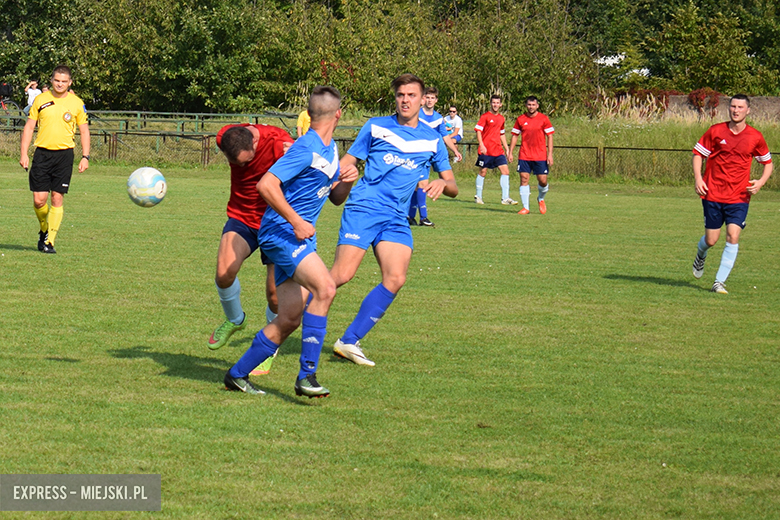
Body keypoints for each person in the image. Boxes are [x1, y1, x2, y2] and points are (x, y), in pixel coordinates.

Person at [224, 86, 357, 397]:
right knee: (325, 288)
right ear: (339, 114)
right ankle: (306, 377)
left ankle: (236, 374)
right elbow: (266, 184)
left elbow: (334, 199)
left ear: (310, 113)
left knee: (289, 318)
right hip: (281, 233)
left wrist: (346, 182)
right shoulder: (306, 147)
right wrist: (296, 221)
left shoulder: (330, 149)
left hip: (294, 237)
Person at [329, 74, 459, 367]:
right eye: (400, 94)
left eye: (411, 95)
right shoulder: (375, 126)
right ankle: (282, 324)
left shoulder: (432, 138)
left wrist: (441, 184)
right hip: (364, 206)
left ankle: (349, 341)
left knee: (396, 278)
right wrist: (331, 175)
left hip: (397, 217)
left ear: (423, 98)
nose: (405, 100)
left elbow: (452, 185)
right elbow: (348, 161)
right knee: (341, 275)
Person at [208, 122, 294, 379]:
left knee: (275, 296)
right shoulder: (225, 136)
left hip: (277, 221)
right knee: (224, 273)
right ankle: (235, 319)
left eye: (247, 162)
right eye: (238, 164)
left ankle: (267, 350)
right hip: (243, 216)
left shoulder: (280, 142)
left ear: (255, 144)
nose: (243, 168)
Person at [691, 94, 773, 294]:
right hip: (713, 193)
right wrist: (698, 178)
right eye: (733, 107)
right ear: (729, 109)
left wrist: (760, 182)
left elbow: (768, 163)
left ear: (748, 110)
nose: (736, 110)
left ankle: (719, 282)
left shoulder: (755, 137)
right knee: (711, 240)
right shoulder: (716, 131)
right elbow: (698, 154)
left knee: (733, 235)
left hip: (739, 197)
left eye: (740, 107)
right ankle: (701, 253)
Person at [20, 65, 90, 254]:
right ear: (51, 81)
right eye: (57, 81)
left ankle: (50, 241)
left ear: (70, 82)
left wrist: (85, 156)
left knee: (57, 197)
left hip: (65, 155)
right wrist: (24, 153)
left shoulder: (76, 103)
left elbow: (84, 130)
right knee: (39, 200)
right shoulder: (41, 100)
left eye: (64, 81)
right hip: (42, 154)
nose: (60, 84)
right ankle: (44, 229)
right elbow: (29, 128)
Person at [409, 86, 462, 227]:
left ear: (436, 100)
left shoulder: (438, 118)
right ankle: (421, 217)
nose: (430, 100)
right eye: (427, 97)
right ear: (423, 99)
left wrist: (455, 151)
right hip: (419, 153)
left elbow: (445, 136)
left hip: (432, 154)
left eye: (433, 98)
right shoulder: (417, 114)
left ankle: (412, 216)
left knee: (420, 185)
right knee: (421, 185)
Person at [508, 96, 555, 215]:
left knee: (543, 180)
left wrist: (550, 154)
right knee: (524, 179)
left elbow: (550, 136)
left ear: (537, 106)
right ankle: (526, 207)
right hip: (525, 155)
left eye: (533, 105)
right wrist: (510, 151)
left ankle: (541, 198)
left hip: (540, 155)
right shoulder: (521, 119)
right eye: (529, 104)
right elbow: (515, 135)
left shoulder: (544, 119)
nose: (531, 107)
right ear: (526, 105)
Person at [474, 95, 515, 205]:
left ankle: (505, 198)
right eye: (493, 102)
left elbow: (502, 134)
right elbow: (478, 131)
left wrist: (507, 149)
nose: (495, 104)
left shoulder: (501, 118)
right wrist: (481, 145)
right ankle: (478, 196)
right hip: (486, 150)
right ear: (490, 104)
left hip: (498, 150)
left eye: (497, 103)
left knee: (505, 171)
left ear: (500, 105)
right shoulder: (485, 116)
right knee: (483, 171)